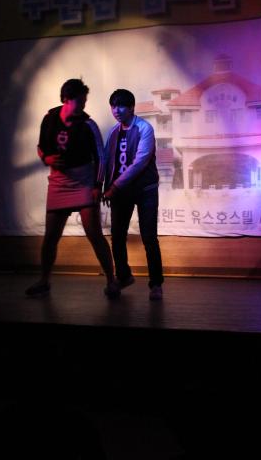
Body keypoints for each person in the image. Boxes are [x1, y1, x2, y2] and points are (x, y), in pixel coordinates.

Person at [26, 79, 120, 299]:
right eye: (80, 100)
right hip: (59, 182)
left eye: (85, 100)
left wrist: (97, 186)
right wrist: (47, 158)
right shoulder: (50, 119)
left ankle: (111, 280)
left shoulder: (88, 124)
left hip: (83, 182)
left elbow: (101, 157)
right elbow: (41, 148)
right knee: (51, 236)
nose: (84, 104)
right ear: (67, 99)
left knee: (94, 234)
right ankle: (44, 281)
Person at [102, 89, 164, 300]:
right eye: (113, 106)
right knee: (117, 237)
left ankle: (156, 284)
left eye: (121, 106)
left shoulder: (144, 128)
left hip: (145, 190)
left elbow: (140, 162)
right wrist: (106, 187)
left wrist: (114, 187)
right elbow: (107, 162)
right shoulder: (113, 132)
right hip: (121, 192)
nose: (116, 110)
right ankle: (124, 276)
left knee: (149, 237)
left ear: (131, 107)